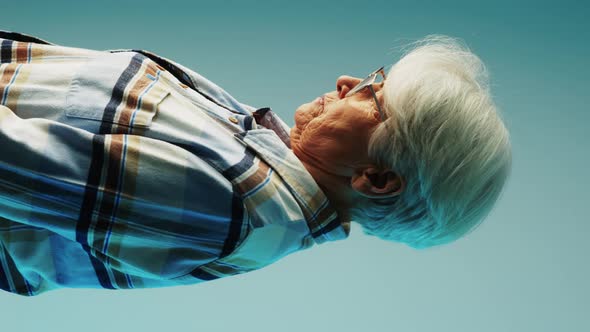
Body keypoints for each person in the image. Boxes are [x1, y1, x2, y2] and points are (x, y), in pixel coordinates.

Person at [0, 30, 511, 297]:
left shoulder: (233, 212)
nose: (346, 80)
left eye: (374, 96)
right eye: (376, 75)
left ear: (374, 178)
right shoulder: (254, 159)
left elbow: (12, 170)